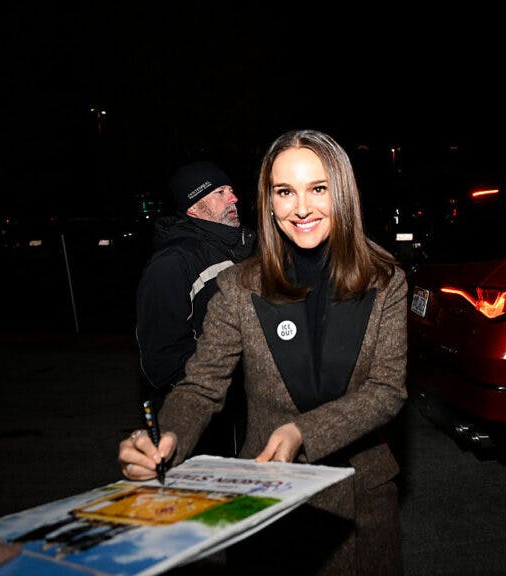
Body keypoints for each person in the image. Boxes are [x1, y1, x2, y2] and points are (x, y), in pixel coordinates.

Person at [118, 130, 408, 575]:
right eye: (285, 192)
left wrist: (303, 432)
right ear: (269, 200)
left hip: (361, 495)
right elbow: (201, 386)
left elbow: (386, 391)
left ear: (343, 192)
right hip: (266, 493)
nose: (302, 207)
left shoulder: (385, 279)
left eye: (318, 188)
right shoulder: (238, 286)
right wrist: (167, 439)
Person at [135, 160, 256, 456]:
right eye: (219, 193)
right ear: (193, 208)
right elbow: (161, 361)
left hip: (242, 404)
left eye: (231, 190)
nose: (233, 198)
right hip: (206, 417)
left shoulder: (237, 248)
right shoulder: (171, 264)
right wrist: (222, 374)